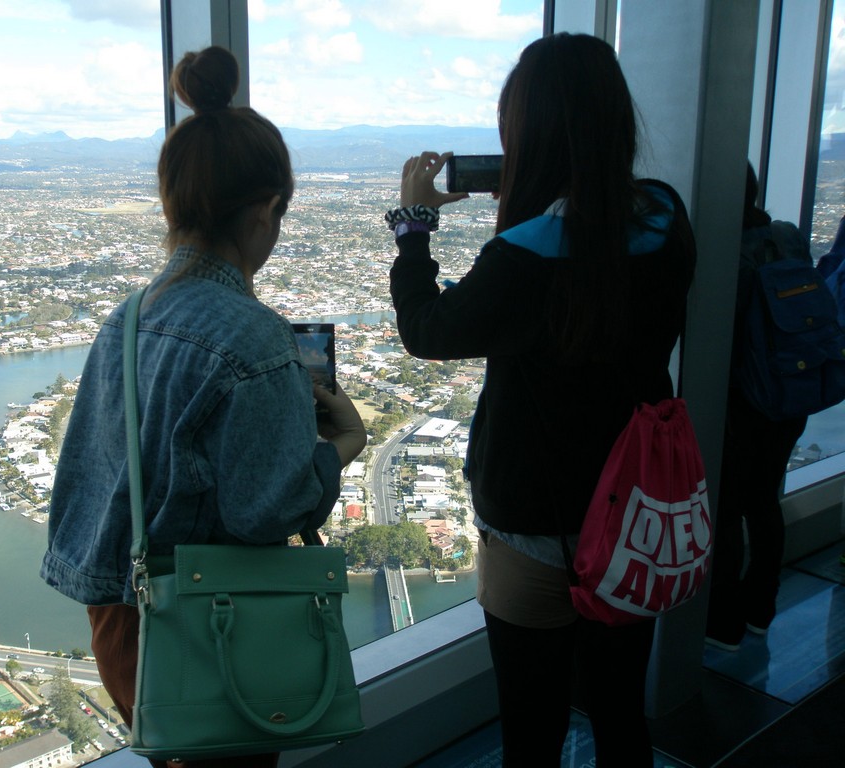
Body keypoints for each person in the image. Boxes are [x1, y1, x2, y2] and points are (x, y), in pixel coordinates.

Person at [40, 46, 366, 768]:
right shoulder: (258, 341)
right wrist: (340, 446)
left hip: (124, 621)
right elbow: (267, 510)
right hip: (209, 620)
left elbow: (92, 478)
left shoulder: (126, 319)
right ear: (264, 209)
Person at [386, 33, 696, 767]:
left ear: (524, 135)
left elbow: (427, 330)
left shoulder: (525, 256)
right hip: (637, 510)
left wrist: (414, 225)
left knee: (533, 726)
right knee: (621, 708)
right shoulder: (665, 219)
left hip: (536, 519)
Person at [704, 164, 810, 651]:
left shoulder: (722, 254)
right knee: (764, 500)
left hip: (742, 399)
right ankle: (761, 608)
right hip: (791, 390)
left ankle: (723, 621)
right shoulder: (786, 236)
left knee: (724, 511)